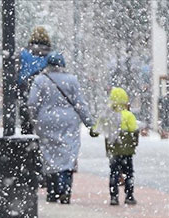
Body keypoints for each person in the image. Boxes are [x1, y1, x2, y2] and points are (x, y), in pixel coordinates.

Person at [27, 52, 96, 204]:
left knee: (49, 155)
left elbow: (32, 102)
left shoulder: (40, 80)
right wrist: (90, 123)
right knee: (68, 153)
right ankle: (65, 189)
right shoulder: (72, 80)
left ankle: (52, 191)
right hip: (69, 121)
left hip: (46, 121)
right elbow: (80, 104)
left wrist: (35, 119)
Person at [92, 87, 139, 206]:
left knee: (114, 173)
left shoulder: (108, 116)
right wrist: (133, 143)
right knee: (128, 173)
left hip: (113, 150)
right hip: (127, 151)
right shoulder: (128, 115)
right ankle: (129, 195)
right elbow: (134, 130)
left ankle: (114, 197)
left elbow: (95, 130)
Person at [17, 26, 52, 135]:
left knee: (26, 120)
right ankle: (42, 145)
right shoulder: (51, 55)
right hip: (44, 90)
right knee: (44, 121)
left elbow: (17, 72)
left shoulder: (23, 53)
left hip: (25, 88)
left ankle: (27, 143)